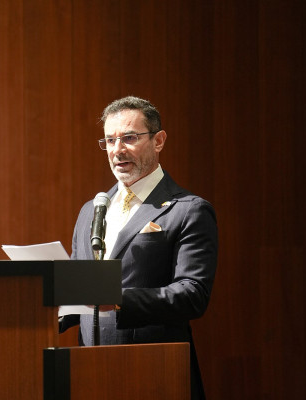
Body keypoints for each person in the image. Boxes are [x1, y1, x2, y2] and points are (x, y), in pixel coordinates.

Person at [63, 96, 218, 400]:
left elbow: (193, 293)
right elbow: (77, 289)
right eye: (110, 140)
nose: (117, 149)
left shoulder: (188, 209)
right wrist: (46, 302)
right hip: (88, 373)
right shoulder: (91, 210)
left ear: (158, 141)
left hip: (154, 372)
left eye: (130, 138)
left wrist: (118, 299)